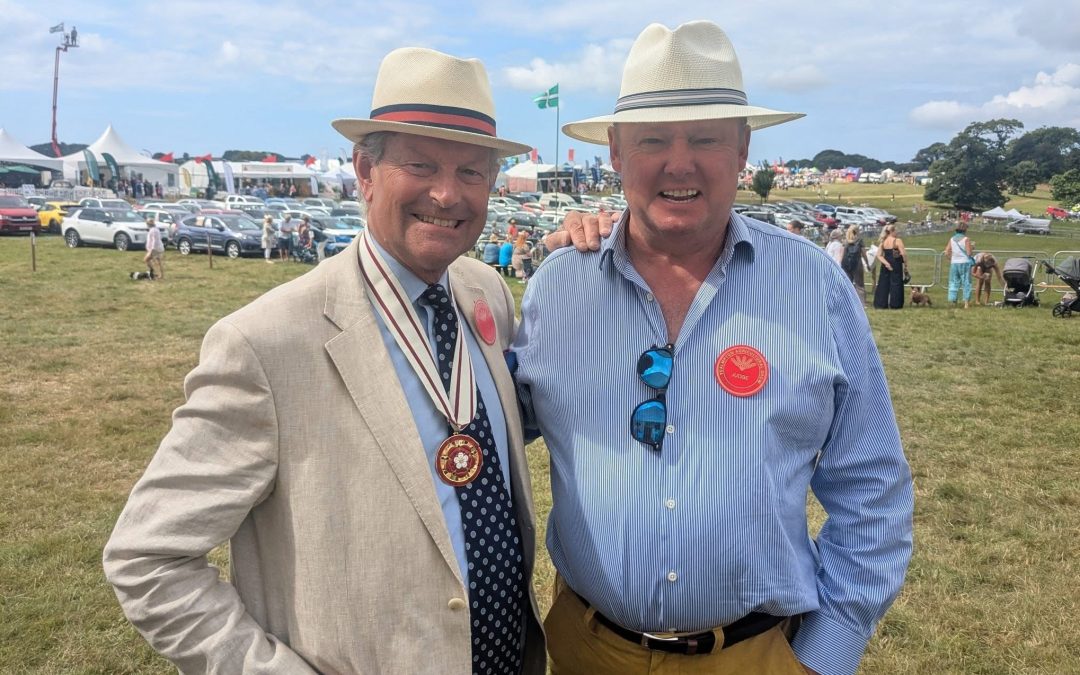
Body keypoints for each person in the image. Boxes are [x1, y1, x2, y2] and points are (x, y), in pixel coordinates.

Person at [104, 46, 549, 674]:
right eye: (420, 164)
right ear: (366, 172)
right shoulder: (265, 342)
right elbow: (146, 559)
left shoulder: (485, 293)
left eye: (472, 172)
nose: (447, 194)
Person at [511, 21, 912, 675]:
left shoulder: (813, 286)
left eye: (704, 139)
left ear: (743, 148)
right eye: (652, 141)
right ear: (614, 151)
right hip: (588, 649)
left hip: (756, 654)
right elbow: (482, 430)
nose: (679, 163)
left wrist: (826, 652)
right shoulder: (557, 286)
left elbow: (873, 486)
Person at [873, 223, 907, 309]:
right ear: (892, 231)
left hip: (885, 263)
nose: (897, 233)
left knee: (883, 284)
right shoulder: (897, 241)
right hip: (896, 263)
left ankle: (880, 303)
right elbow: (903, 254)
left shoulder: (883, 241)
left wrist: (886, 263)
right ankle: (896, 304)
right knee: (896, 283)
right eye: (896, 231)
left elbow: (879, 255)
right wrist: (906, 265)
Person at [944, 222, 974, 308]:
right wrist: (972, 248)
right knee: (966, 282)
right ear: (965, 230)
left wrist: (951, 259)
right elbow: (969, 253)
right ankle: (966, 303)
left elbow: (946, 252)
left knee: (953, 282)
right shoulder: (966, 239)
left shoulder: (952, 239)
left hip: (954, 263)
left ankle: (953, 300)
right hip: (964, 262)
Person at [840, 224, 867, 303]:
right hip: (857, 263)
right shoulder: (859, 241)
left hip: (846, 264)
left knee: (848, 283)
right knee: (860, 285)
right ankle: (862, 303)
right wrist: (867, 263)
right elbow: (864, 253)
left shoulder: (845, 241)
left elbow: (842, 253)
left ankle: (846, 301)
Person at [143, 214, 164, 280]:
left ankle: (152, 272)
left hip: (155, 249)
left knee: (146, 259)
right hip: (158, 248)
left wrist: (151, 250)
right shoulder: (155, 229)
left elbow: (154, 241)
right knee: (158, 262)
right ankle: (161, 275)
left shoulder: (153, 230)